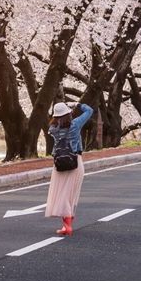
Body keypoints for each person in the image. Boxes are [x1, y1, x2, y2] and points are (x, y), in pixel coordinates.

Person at [45, 101, 94, 236]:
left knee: (62, 194)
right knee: (70, 194)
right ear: (68, 113)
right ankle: (68, 225)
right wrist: (77, 105)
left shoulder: (53, 129)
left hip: (59, 164)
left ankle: (66, 225)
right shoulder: (75, 124)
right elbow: (89, 111)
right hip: (75, 162)